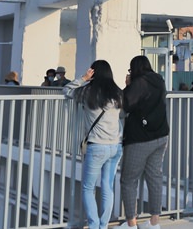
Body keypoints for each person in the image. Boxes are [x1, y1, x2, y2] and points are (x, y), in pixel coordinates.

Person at [65, 61, 123, 229]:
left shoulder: (87, 92)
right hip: (116, 146)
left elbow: (67, 90)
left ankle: (94, 224)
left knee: (88, 187)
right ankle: (103, 225)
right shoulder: (117, 93)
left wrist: (83, 78)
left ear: (94, 73)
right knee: (107, 185)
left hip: (97, 146)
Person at [116, 56, 169, 229]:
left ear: (135, 69)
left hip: (140, 137)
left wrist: (128, 85)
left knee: (129, 180)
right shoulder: (159, 80)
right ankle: (154, 223)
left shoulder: (139, 83)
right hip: (161, 135)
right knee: (154, 177)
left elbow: (126, 104)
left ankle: (131, 223)